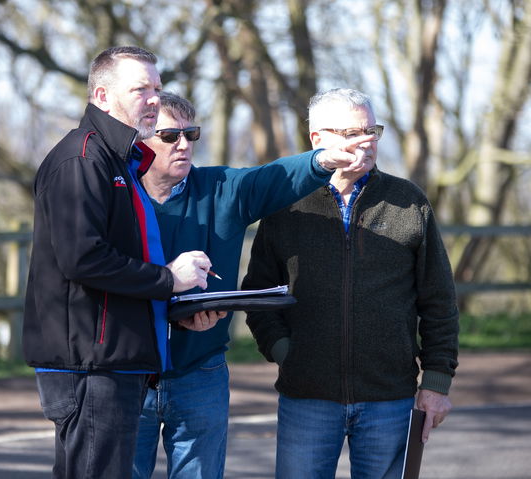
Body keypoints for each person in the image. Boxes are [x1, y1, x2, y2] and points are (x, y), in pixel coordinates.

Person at [133, 91, 365, 478]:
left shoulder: (222, 187)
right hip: (130, 374)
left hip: (200, 372)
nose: (185, 144)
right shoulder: (116, 198)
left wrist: (322, 159)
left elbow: (274, 177)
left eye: (192, 134)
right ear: (140, 139)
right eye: (170, 136)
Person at [242, 88, 459, 479]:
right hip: (306, 395)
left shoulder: (409, 201)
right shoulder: (286, 204)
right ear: (318, 140)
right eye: (350, 133)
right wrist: (284, 351)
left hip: (389, 397)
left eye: (371, 130)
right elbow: (259, 292)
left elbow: (439, 300)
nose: (366, 141)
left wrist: (437, 382)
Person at [23, 47, 218, 479]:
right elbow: (83, 258)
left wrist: (176, 308)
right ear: (102, 95)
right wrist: (169, 279)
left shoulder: (118, 162)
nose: (153, 99)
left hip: (114, 364)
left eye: (157, 88)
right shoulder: (82, 159)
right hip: (91, 368)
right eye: (140, 89)